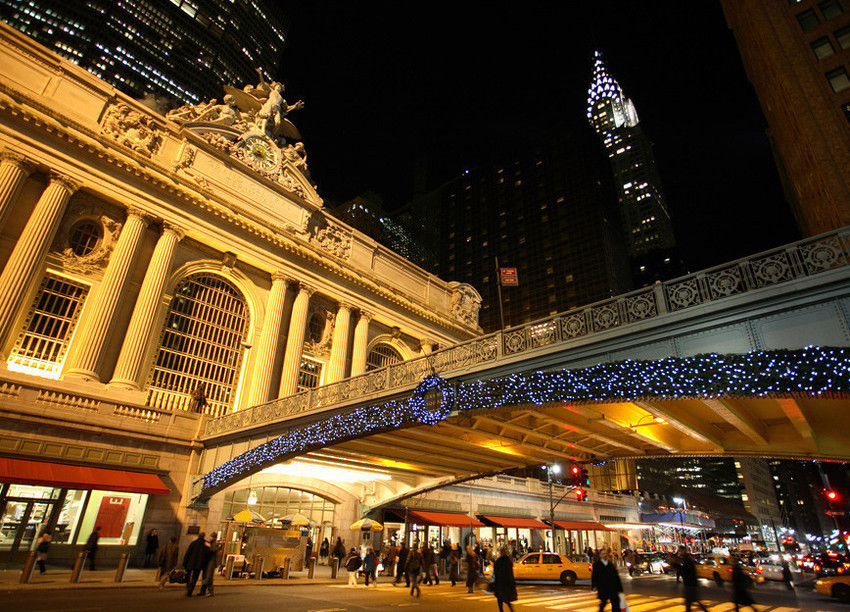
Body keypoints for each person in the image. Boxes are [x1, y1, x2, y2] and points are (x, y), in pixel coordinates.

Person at [675, 546, 709, 612]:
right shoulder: (687, 559)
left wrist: (676, 565)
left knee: (689, 602)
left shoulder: (687, 559)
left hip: (690, 584)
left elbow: (685, 570)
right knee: (693, 601)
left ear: (683, 550)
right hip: (691, 584)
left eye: (680, 551)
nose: (679, 553)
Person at [592, 548, 623, 612]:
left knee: (615, 603)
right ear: (600, 555)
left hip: (612, 587)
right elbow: (594, 576)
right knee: (603, 602)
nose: (605, 555)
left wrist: (619, 588)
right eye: (603, 554)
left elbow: (616, 576)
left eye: (605, 553)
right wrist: (594, 586)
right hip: (603, 587)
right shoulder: (597, 565)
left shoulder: (610, 564)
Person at [493, 545, 518, 612]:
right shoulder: (508, 561)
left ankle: (501, 610)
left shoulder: (498, 561)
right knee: (506, 599)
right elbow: (510, 573)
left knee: (500, 599)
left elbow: (495, 572)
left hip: (500, 583)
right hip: (507, 582)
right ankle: (511, 610)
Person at [183, 531, 207, 597]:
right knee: (195, 577)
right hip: (199, 564)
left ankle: (188, 587)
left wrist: (184, 562)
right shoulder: (205, 544)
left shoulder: (193, 543)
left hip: (190, 563)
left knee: (188, 576)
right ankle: (191, 589)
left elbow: (188, 553)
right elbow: (206, 555)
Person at [199, 532, 221, 597]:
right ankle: (203, 591)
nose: (210, 538)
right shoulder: (211, 543)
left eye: (211, 537)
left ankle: (210, 591)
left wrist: (209, 546)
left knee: (209, 577)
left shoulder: (214, 543)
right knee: (206, 577)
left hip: (211, 562)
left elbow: (216, 549)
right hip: (208, 562)